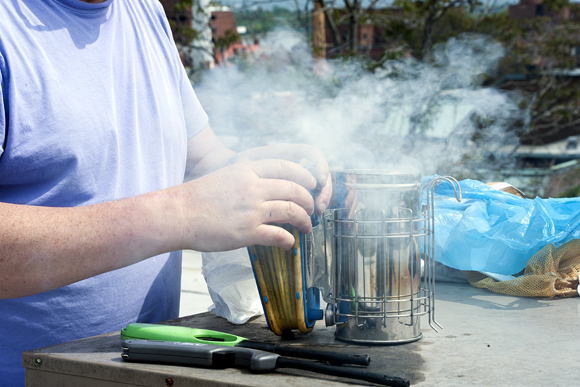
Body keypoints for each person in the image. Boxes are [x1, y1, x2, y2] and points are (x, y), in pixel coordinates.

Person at [0, 0, 332, 385]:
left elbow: (199, 158)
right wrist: (180, 214)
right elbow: (184, 207)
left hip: (154, 366)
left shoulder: (144, 10)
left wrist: (267, 174)